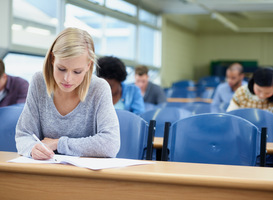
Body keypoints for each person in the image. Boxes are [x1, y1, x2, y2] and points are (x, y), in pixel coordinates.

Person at [15, 28, 120, 160]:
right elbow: (24, 134)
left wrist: (58, 143)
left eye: (77, 72)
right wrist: (32, 148)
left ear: (88, 65)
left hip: (86, 176)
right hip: (45, 171)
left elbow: (110, 144)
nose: (67, 79)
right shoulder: (38, 82)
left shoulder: (99, 88)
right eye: (62, 69)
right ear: (53, 59)